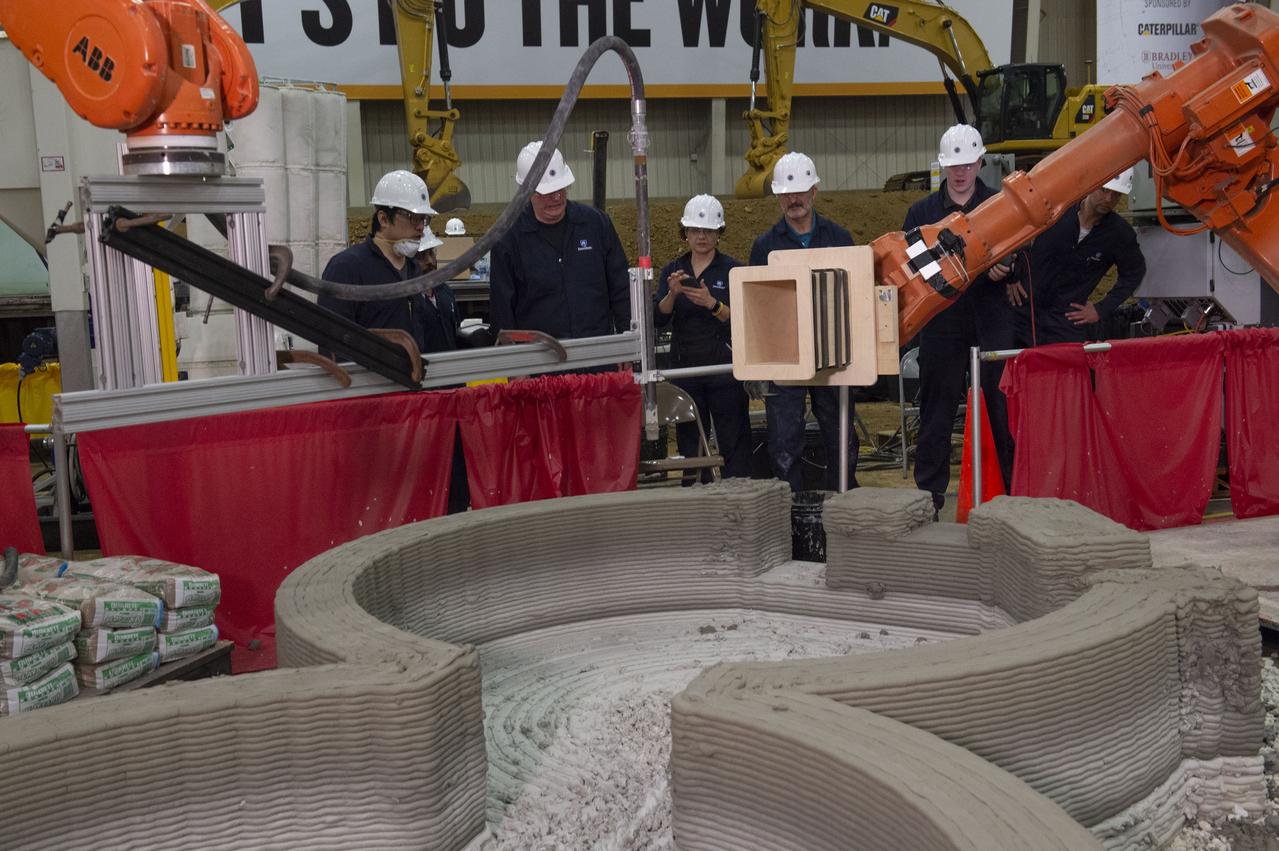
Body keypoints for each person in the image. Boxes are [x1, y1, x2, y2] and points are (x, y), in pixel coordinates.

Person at [318, 170, 469, 514]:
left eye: (423, 220)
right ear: (383, 218)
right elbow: (331, 347)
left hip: (418, 412)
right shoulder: (348, 269)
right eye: (412, 218)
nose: (419, 227)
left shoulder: (415, 273)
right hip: (374, 417)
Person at [903, 125, 1017, 513]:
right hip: (942, 323)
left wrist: (1008, 269)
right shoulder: (921, 213)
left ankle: (1008, 496)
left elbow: (1021, 252)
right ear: (943, 166)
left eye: (968, 164)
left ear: (980, 163)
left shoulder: (1000, 204)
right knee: (936, 413)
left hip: (991, 318)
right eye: (954, 165)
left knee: (1001, 409)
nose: (961, 172)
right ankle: (929, 498)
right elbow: (912, 265)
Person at [748, 151, 858, 492]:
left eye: (799, 192)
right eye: (786, 194)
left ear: (814, 191)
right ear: (778, 197)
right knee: (784, 443)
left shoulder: (839, 238)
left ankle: (843, 503)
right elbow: (757, 306)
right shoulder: (765, 247)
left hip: (833, 353)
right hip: (785, 355)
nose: (793, 200)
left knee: (841, 437)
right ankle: (789, 510)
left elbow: (857, 296)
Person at [489, 141, 631, 341]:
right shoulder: (508, 239)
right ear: (527, 192)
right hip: (540, 355)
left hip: (596, 349)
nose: (556, 198)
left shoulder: (596, 224)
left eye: (561, 188)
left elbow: (622, 290)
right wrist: (514, 358)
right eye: (547, 192)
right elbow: (502, 311)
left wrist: (627, 343)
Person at [654, 194, 751, 482]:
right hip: (686, 368)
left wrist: (713, 304)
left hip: (723, 369)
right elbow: (659, 318)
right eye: (695, 230)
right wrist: (672, 294)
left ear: (719, 233)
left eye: (708, 230)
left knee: (733, 437)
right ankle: (696, 493)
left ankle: (738, 492)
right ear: (685, 233)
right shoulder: (674, 270)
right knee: (690, 443)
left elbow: (744, 321)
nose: (701, 236)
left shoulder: (733, 270)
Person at [1010, 168, 1146, 346]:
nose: (1108, 199)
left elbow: (1134, 272)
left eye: (1116, 195)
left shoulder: (1119, 234)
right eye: (1104, 190)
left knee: (1066, 364)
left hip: (1066, 321)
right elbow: (1016, 233)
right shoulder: (1055, 210)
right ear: (1091, 185)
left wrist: (1101, 309)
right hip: (1022, 312)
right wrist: (1012, 275)